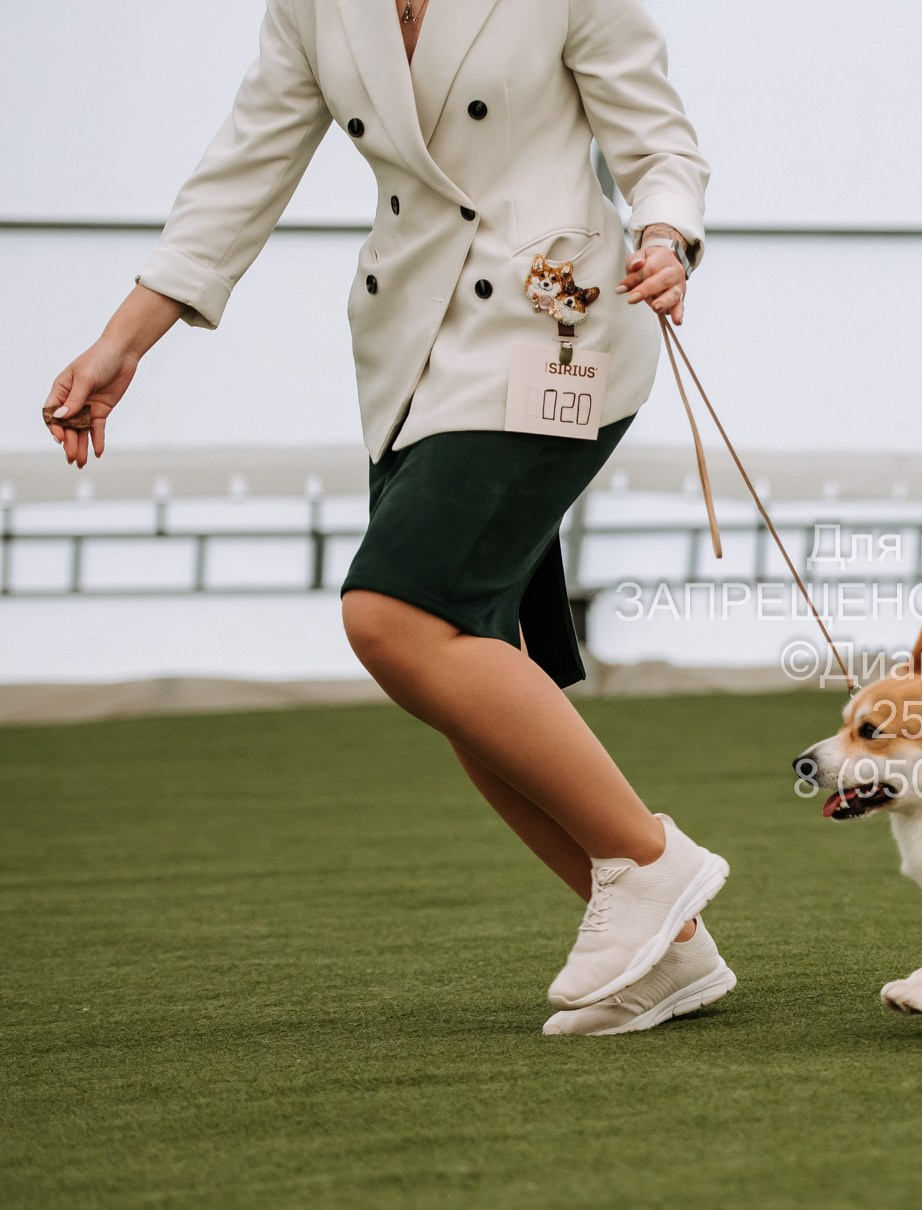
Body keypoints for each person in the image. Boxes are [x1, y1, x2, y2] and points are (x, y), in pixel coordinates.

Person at [42, 0, 733, 1037]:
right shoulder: (313, 6)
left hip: (559, 334)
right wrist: (123, 343)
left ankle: (648, 862)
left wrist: (668, 237)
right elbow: (241, 173)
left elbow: (658, 141)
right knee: (462, 659)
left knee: (394, 616)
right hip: (412, 349)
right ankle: (671, 956)